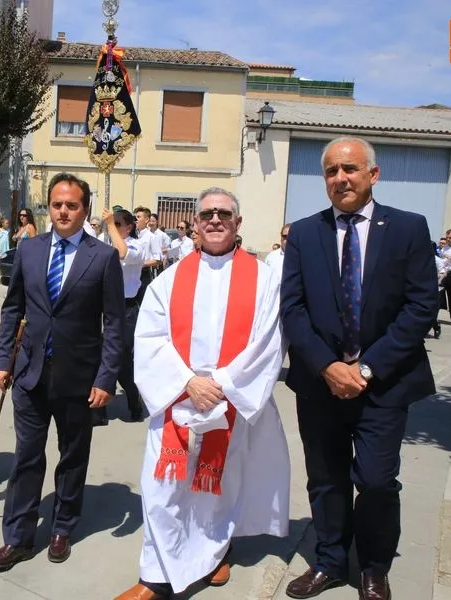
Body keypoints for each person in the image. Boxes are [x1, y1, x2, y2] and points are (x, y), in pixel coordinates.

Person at [280, 137, 438, 600]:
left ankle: (373, 568)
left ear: (374, 174)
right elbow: (293, 308)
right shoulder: (305, 233)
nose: (340, 178)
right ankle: (329, 560)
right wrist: (328, 365)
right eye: (331, 171)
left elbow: (421, 306)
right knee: (326, 477)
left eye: (349, 168)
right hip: (319, 384)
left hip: (384, 385)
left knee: (375, 480)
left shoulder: (408, 228)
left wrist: (365, 369)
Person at [115, 187, 290, 599]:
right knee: (163, 488)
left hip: (230, 400)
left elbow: (269, 341)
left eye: (224, 213)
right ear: (194, 223)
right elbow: (151, 337)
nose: (215, 220)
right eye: (207, 213)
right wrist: (187, 381)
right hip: (178, 396)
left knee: (220, 485)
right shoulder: (170, 279)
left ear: (238, 223)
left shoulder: (264, 279)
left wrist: (224, 385)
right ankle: (154, 577)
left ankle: (214, 552)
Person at [0, 172, 125, 571]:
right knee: (27, 457)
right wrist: (1, 361)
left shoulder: (102, 258)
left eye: (73, 205)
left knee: (72, 456)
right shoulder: (29, 250)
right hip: (29, 375)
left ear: (84, 210)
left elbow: (114, 324)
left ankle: (63, 526)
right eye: (57, 204)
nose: (64, 212)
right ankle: (17, 538)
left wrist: (105, 378)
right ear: (49, 207)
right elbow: (13, 308)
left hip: (79, 380)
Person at [101, 207, 148, 423]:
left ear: (129, 227)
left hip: (126, 309)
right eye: (113, 223)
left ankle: (133, 400)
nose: (114, 227)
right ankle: (99, 409)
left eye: (118, 223)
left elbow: (122, 253)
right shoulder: (107, 241)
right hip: (105, 307)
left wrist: (110, 224)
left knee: (121, 361)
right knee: (101, 357)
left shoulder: (137, 246)